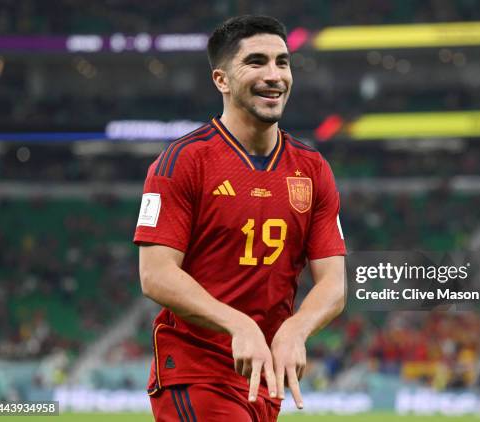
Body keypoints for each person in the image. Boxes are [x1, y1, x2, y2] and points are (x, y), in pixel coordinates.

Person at [134, 15, 346, 422]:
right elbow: (155, 274)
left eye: (282, 62)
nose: (274, 75)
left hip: (264, 380)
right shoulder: (183, 162)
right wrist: (238, 324)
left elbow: (334, 284)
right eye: (256, 62)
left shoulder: (312, 169)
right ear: (222, 80)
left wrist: (297, 328)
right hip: (197, 376)